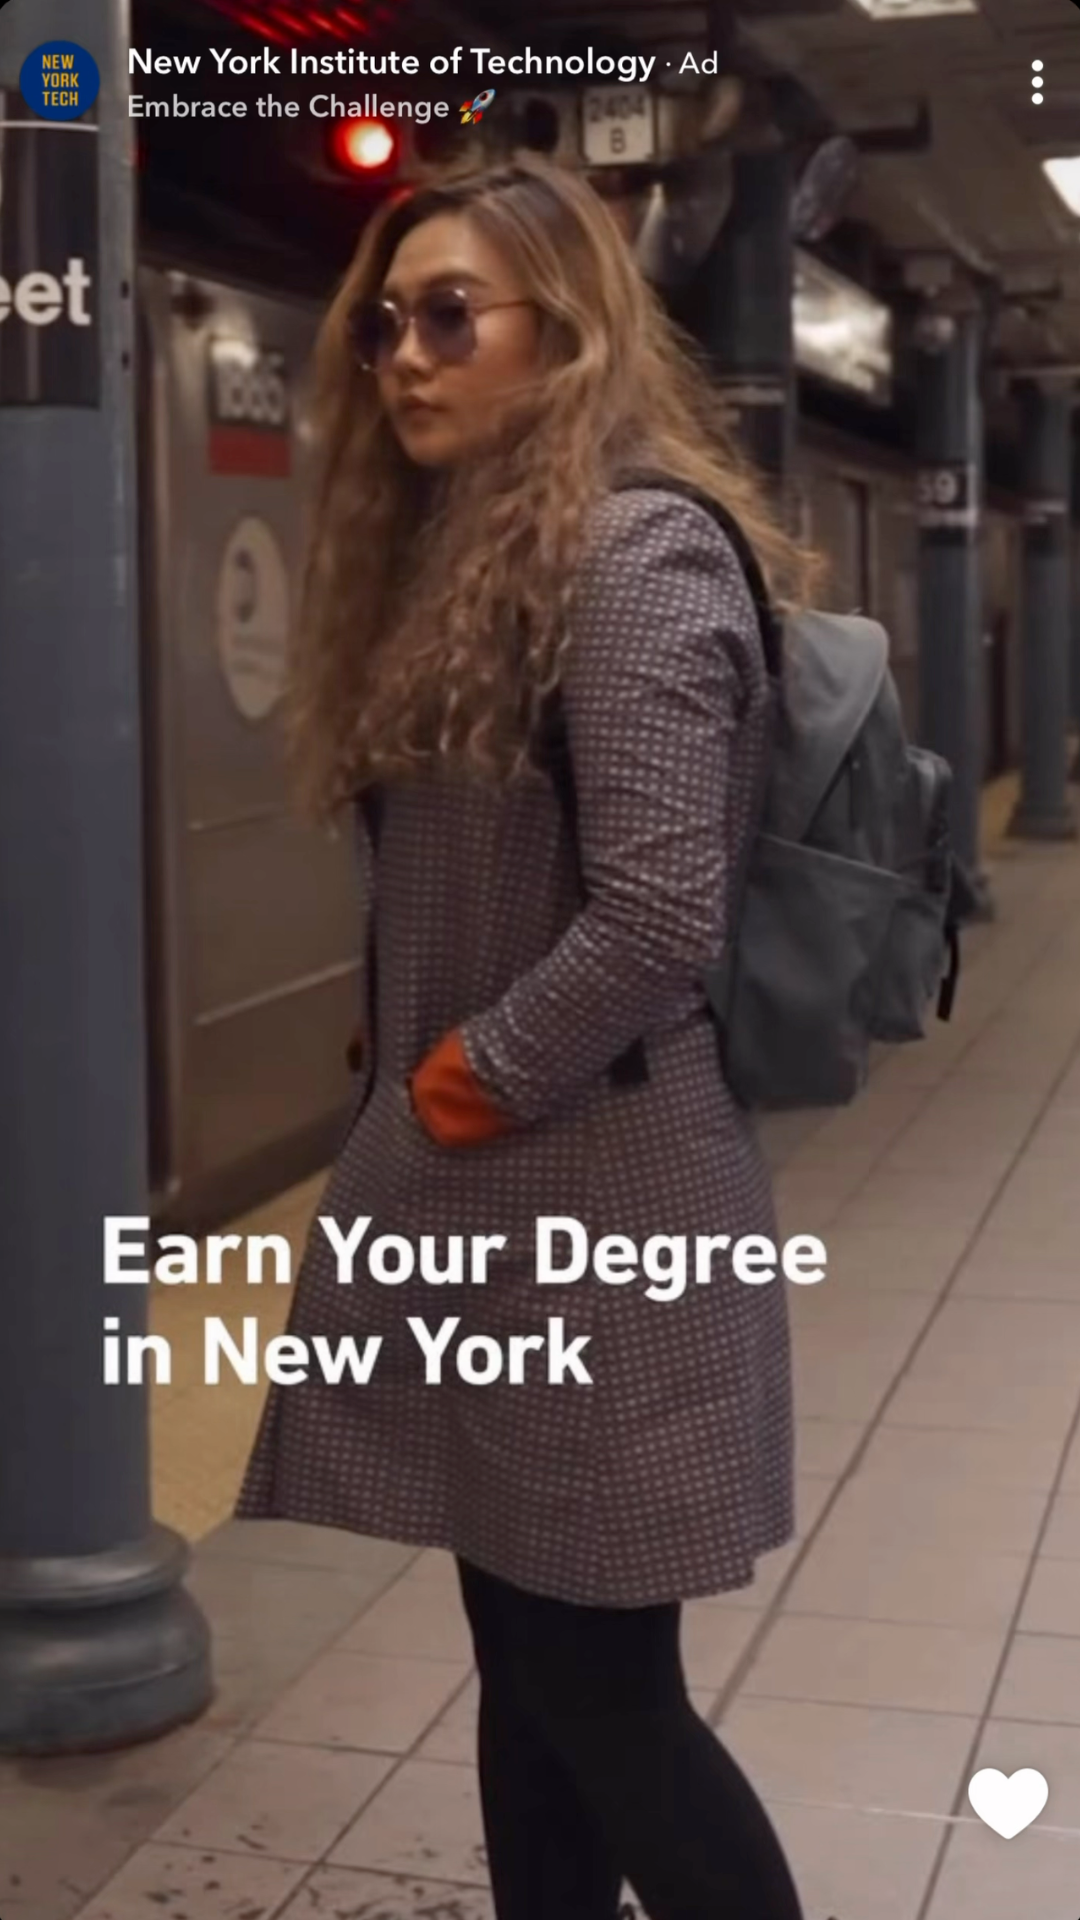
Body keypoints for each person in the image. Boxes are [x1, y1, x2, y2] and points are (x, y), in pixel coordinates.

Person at [236, 152, 810, 1920]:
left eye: (448, 316)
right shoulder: (477, 559)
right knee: (524, 1656)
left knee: (602, 1689)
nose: (403, 356)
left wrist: (455, 1082)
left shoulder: (632, 556)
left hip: (600, 1210)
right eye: (384, 324)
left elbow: (654, 918)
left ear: (562, 334)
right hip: (501, 1209)